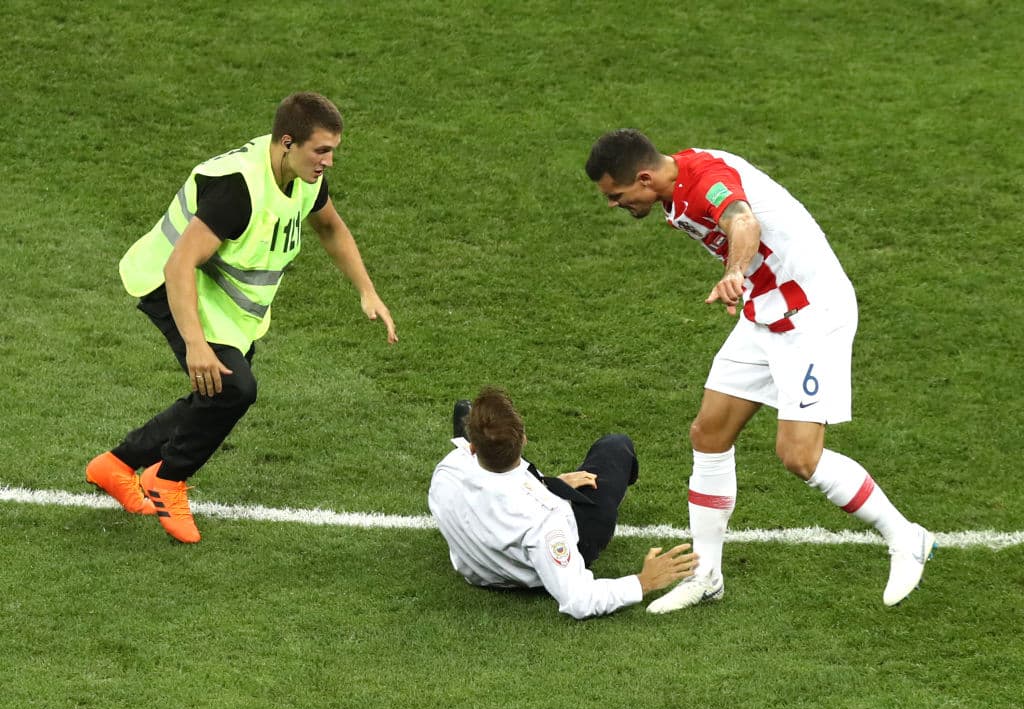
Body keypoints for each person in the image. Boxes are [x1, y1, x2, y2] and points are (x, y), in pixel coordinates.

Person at [585, 129, 935, 611]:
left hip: (812, 317)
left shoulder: (707, 179)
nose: (613, 205)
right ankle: (707, 575)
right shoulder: (672, 189)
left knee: (800, 457)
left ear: (643, 178)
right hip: (764, 314)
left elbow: (742, 221)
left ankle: (907, 536)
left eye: (616, 195)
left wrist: (733, 272)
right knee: (708, 434)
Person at [85, 92, 397, 544]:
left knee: (217, 391)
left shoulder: (303, 175)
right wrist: (195, 344)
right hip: (168, 279)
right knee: (234, 387)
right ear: (287, 142)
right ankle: (167, 480)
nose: (328, 161)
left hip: (220, 296)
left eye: (333, 151)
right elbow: (178, 265)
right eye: (321, 150)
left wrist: (367, 291)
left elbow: (330, 225)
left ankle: (114, 466)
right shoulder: (237, 190)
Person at [428, 387, 698, 619]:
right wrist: (643, 582)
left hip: (477, 568)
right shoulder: (546, 519)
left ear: (471, 448)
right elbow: (579, 600)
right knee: (616, 446)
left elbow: (498, 488)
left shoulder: (447, 471)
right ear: (523, 439)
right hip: (547, 556)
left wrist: (543, 483)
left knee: (465, 409)